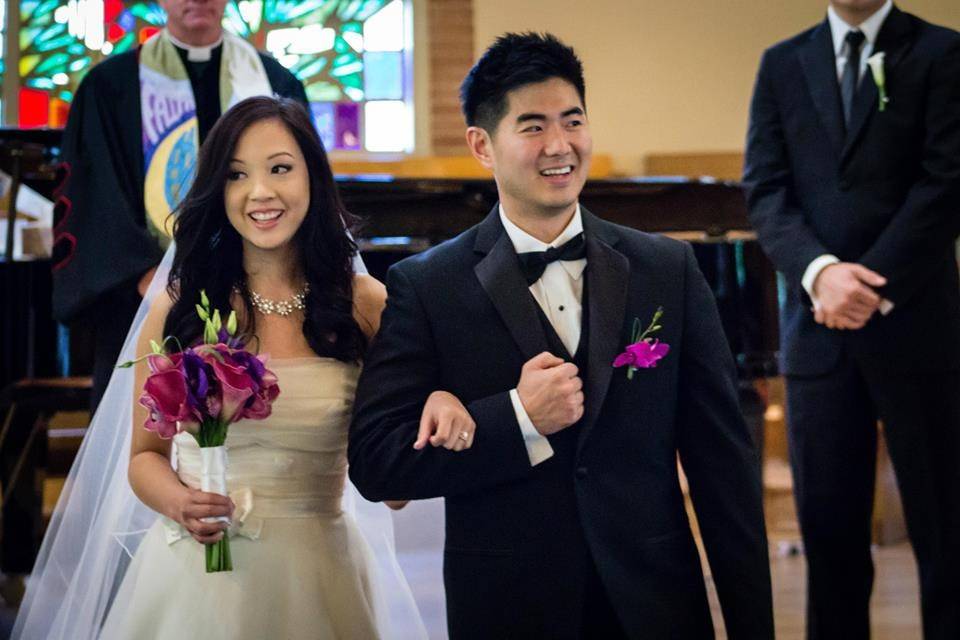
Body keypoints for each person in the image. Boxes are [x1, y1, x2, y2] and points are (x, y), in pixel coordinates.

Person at [349, 32, 773, 639]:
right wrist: (517, 418)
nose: (560, 145)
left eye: (572, 121)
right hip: (507, 607)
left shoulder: (666, 270)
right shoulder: (428, 285)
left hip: (653, 605)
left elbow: (722, 469)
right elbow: (377, 465)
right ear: (482, 145)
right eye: (532, 126)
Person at [14, 96, 474, 639]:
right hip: (194, 582)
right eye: (237, 175)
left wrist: (435, 405)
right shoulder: (180, 308)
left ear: (313, 178)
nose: (261, 193)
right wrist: (179, 501)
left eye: (280, 168)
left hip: (318, 579)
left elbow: (393, 487)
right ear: (219, 190)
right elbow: (143, 458)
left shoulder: (365, 304)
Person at [743, 1, 960, 638]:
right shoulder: (782, 64)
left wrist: (872, 284)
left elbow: (947, 181)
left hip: (918, 325)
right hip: (819, 331)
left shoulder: (943, 54)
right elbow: (765, 188)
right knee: (830, 538)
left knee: (947, 534)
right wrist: (820, 274)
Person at [51, 0, 308, 412]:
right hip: (144, 298)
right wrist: (150, 279)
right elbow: (94, 194)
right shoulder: (109, 87)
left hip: (257, 296)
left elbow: (300, 185)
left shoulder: (277, 84)